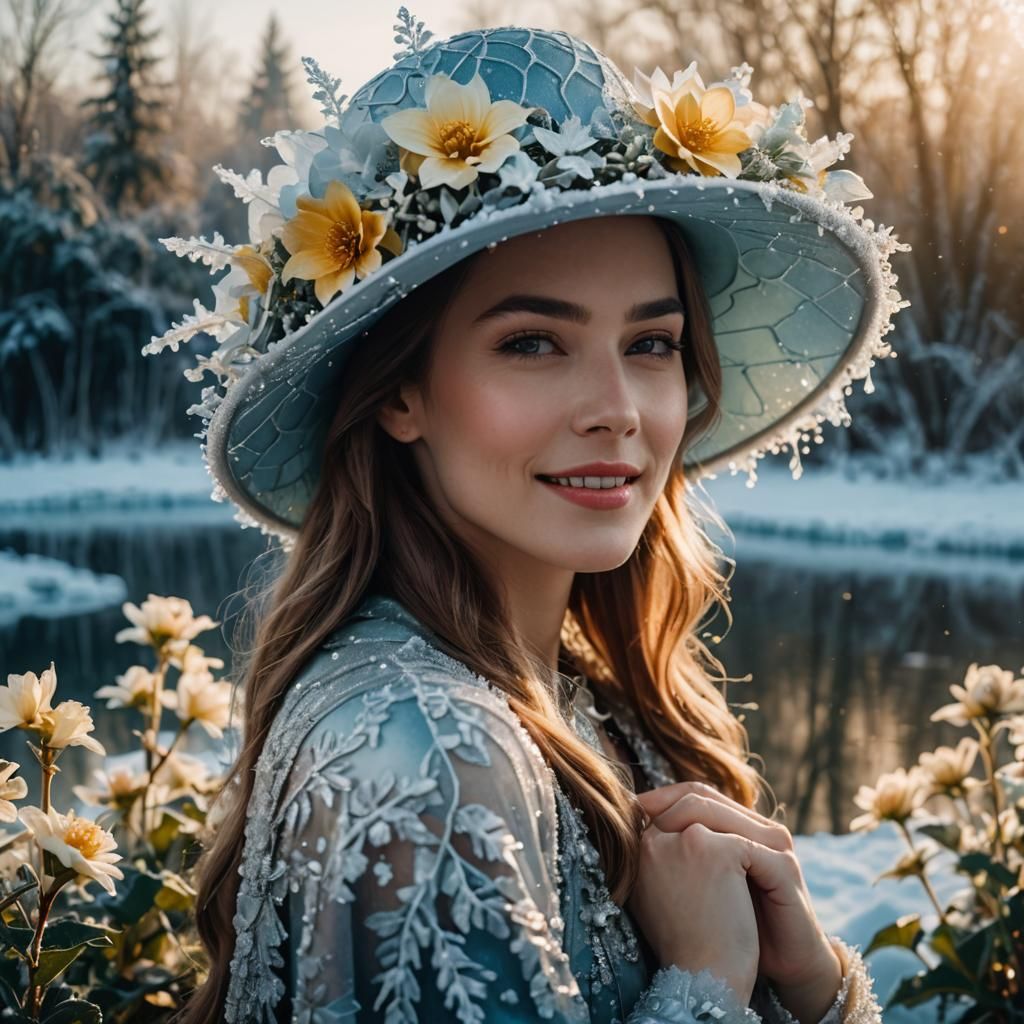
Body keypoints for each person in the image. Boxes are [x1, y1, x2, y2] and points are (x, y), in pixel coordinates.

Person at [150, 17, 907, 1024]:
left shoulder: (585, 700)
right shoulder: (420, 753)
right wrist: (706, 990)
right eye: (533, 342)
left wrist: (812, 989)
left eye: (651, 343)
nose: (618, 408)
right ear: (399, 393)